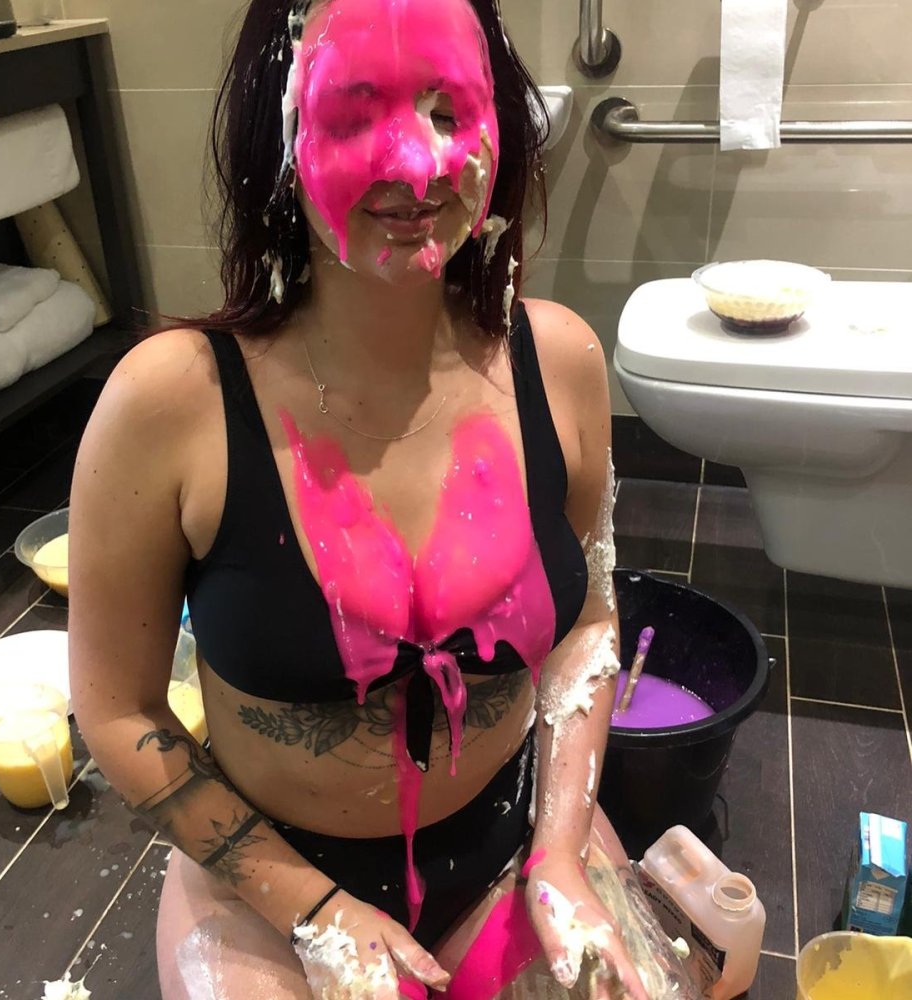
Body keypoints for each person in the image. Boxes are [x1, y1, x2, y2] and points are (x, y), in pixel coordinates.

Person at [69, 1, 692, 997]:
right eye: (357, 115)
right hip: (272, 891)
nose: (417, 162)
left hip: (513, 844)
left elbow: (585, 625)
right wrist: (313, 910)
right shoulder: (172, 401)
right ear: (279, 130)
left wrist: (560, 850)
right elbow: (115, 710)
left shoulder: (560, 360)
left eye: (448, 112)